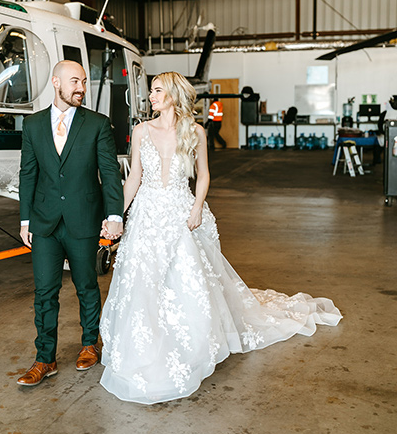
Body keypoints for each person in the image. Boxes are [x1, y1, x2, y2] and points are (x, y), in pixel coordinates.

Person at [99, 72, 342, 404]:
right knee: (145, 278)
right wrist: (115, 215)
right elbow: (135, 177)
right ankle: (146, 343)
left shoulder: (195, 131)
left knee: (186, 279)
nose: (151, 96)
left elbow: (204, 174)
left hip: (182, 210)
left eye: (156, 91)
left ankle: (192, 344)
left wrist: (198, 207)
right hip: (148, 213)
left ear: (171, 95)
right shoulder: (141, 130)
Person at [17, 60, 124, 387]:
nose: (81, 88)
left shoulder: (97, 124)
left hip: (83, 219)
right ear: (56, 82)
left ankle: (90, 344)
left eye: (83, 82)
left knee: (87, 287)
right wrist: (25, 219)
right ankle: (44, 359)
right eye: (74, 81)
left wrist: (115, 215)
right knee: (44, 292)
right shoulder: (33, 125)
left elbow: (109, 173)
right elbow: (28, 174)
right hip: (44, 222)